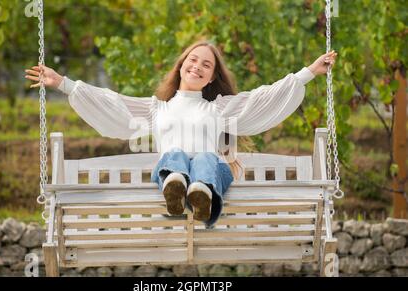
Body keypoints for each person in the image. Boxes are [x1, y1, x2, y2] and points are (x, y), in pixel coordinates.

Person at [25, 40, 337, 228]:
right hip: (171, 176)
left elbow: (265, 96)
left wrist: (309, 71)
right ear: (181, 66)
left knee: (204, 158)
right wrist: (63, 82)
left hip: (213, 175)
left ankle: (201, 194)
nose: (198, 67)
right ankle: (178, 189)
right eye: (193, 60)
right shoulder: (155, 109)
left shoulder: (220, 109)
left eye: (206, 65)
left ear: (212, 76)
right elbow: (111, 102)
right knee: (172, 156)